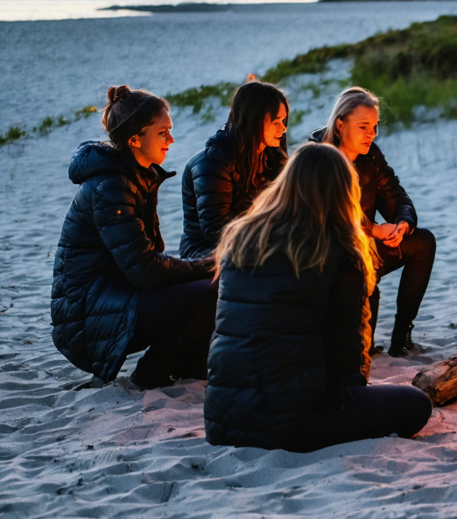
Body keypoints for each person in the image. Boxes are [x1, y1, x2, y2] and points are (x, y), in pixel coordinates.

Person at [204, 142, 433, 451]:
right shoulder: (339, 249)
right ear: (344, 191)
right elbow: (349, 360)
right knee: (415, 403)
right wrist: (356, 403)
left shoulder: (241, 239)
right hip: (291, 425)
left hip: (223, 421)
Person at [51, 85, 217, 389]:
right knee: (208, 288)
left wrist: (200, 267)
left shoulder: (135, 177)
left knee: (209, 283)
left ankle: (179, 368)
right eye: (163, 132)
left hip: (112, 296)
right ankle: (154, 373)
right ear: (134, 139)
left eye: (170, 131)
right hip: (85, 315)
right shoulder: (111, 187)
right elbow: (143, 269)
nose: (171, 139)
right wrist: (204, 265)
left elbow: (143, 263)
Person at [311, 87, 435, 357]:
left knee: (423, 243)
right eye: (364, 126)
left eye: (375, 126)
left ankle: (401, 338)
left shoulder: (370, 155)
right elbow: (336, 211)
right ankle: (361, 346)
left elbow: (394, 193)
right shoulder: (317, 156)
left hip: (367, 248)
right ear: (340, 124)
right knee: (360, 348)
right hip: (328, 258)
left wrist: (402, 223)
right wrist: (374, 230)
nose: (372, 134)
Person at [179, 80, 289, 259]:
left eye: (284, 121)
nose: (283, 129)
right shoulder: (212, 164)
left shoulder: (273, 159)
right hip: (205, 251)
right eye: (276, 122)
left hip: (253, 241)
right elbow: (217, 231)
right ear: (254, 120)